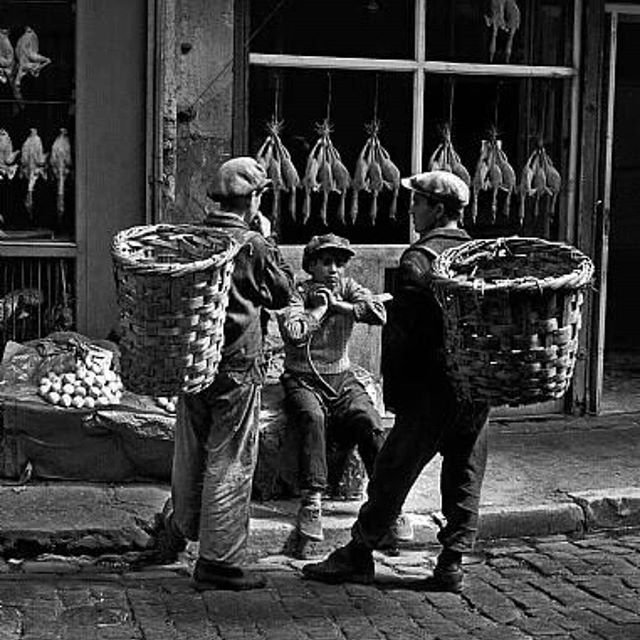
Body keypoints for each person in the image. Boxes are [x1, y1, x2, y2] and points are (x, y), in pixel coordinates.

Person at [302, 170, 491, 593]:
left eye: (418, 202)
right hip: (475, 388)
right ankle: (453, 563)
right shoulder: (478, 254)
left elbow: (411, 335)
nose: (412, 209)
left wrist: (398, 394)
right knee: (465, 471)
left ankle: (358, 552)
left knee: (392, 470)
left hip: (430, 391)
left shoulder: (418, 259)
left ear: (438, 209)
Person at [150, 157, 296, 591]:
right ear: (252, 198)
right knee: (230, 460)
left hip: (193, 362)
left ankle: (181, 529)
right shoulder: (252, 244)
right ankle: (220, 562)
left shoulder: (195, 237)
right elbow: (282, 291)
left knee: (191, 453)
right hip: (237, 366)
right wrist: (266, 237)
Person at [277, 233, 413, 544]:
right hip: (303, 377)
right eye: (326, 262)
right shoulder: (297, 292)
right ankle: (312, 501)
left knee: (367, 419)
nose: (334, 269)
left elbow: (379, 313)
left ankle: (390, 503)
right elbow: (294, 333)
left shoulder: (348, 289)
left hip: (341, 376)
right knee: (312, 418)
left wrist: (340, 306)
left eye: (340, 263)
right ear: (311, 265)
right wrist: (319, 311)